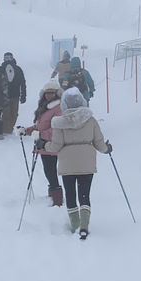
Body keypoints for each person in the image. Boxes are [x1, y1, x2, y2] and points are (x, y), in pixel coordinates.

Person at [41, 87, 111, 239]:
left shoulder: (59, 123)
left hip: (67, 165)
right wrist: (107, 149)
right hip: (87, 164)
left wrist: (44, 145)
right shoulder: (90, 120)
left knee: (71, 195)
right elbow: (99, 143)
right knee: (84, 195)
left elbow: (55, 146)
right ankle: (84, 226)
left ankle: (75, 225)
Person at [21, 80, 63, 206]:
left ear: (57, 93)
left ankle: (57, 199)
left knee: (51, 171)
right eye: (46, 93)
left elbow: (57, 128)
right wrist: (27, 131)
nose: (48, 95)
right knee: (48, 171)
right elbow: (40, 125)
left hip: (52, 144)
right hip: (43, 144)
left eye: (51, 93)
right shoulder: (45, 106)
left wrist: (40, 135)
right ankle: (54, 196)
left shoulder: (58, 108)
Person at [1, 52, 27, 135]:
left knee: (14, 113)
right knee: (6, 113)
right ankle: (6, 129)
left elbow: (22, 82)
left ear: (12, 58)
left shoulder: (18, 69)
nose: (8, 59)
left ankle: (9, 128)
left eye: (9, 57)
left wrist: (23, 95)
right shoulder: (1, 69)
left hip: (15, 96)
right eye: (6, 58)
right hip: (4, 96)